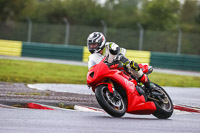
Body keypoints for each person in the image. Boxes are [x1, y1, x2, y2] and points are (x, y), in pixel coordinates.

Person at [87, 32, 155, 90]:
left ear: (100, 43)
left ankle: (148, 85)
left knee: (131, 65)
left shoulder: (109, 45)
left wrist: (117, 55)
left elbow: (116, 48)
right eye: (91, 45)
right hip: (107, 70)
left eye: (94, 44)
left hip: (119, 63)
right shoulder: (93, 57)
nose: (92, 47)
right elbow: (92, 68)